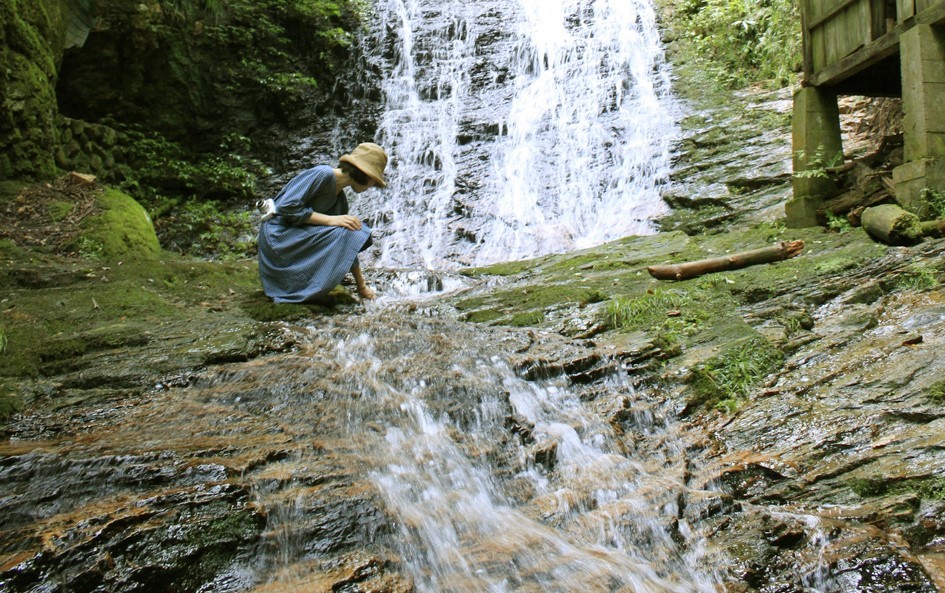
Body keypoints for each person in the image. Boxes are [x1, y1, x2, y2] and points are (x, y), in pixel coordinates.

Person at [257, 142, 388, 303]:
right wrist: (331, 220)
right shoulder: (322, 174)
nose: (372, 186)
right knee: (350, 229)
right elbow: (287, 207)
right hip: (278, 237)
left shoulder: (340, 201)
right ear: (365, 175)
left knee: (352, 230)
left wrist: (361, 286)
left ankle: (301, 289)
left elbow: (347, 245)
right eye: (374, 181)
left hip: (297, 238)